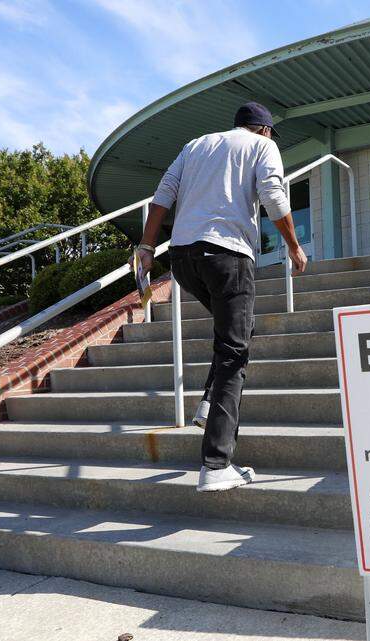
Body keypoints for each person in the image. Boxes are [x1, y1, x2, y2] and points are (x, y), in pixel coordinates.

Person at [135, 102, 307, 492]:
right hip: (228, 255)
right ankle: (216, 464)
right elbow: (275, 197)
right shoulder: (263, 147)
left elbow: (163, 194)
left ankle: (210, 403)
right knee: (235, 352)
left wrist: (147, 245)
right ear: (263, 130)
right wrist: (294, 247)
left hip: (184, 258)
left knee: (234, 334)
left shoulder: (196, 145)